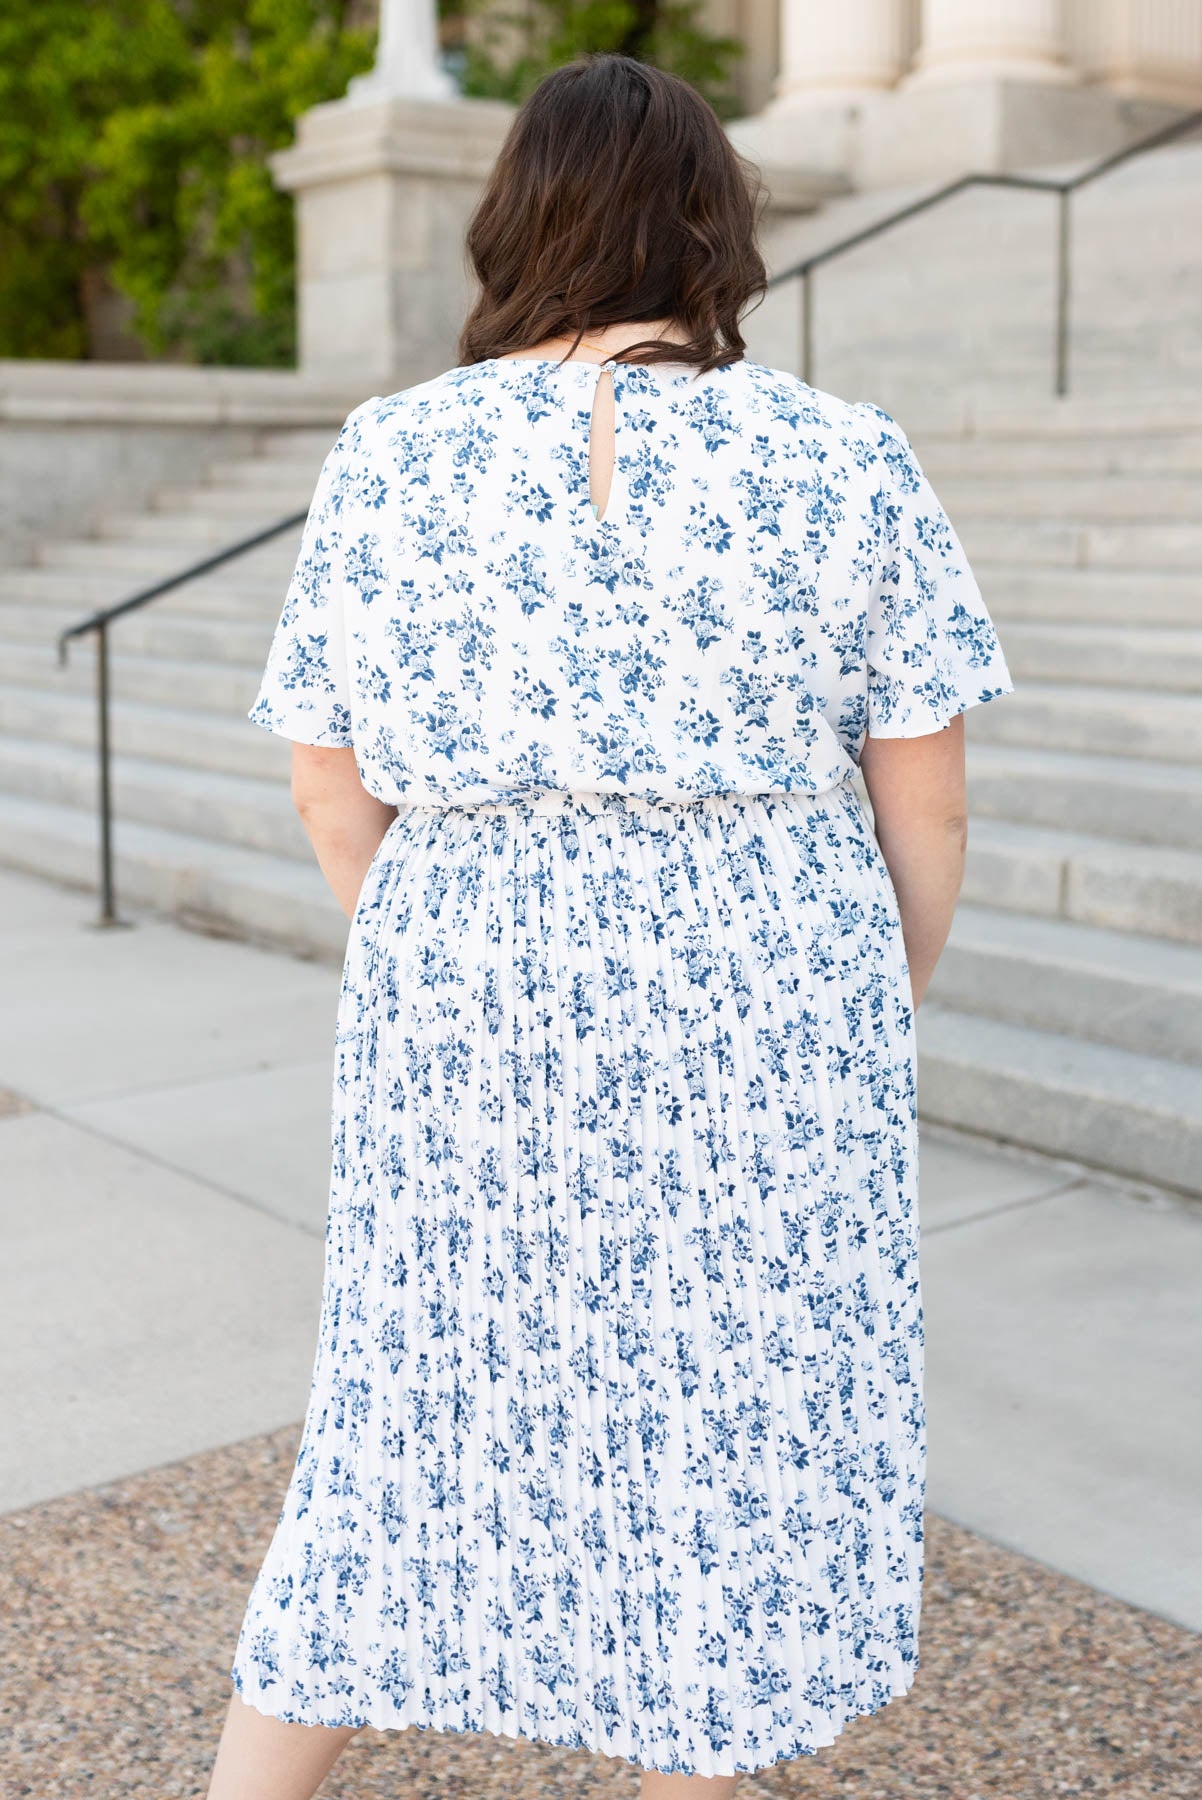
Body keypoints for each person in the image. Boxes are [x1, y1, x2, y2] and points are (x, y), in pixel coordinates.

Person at [205, 49, 1014, 1800]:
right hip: (762, 985)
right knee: (721, 1450)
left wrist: (445, 944)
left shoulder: (391, 451)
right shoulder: (838, 455)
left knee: (408, 1423)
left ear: (514, 219)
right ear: (714, 225)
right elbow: (924, 800)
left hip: (465, 972)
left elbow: (325, 780)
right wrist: (868, 995)